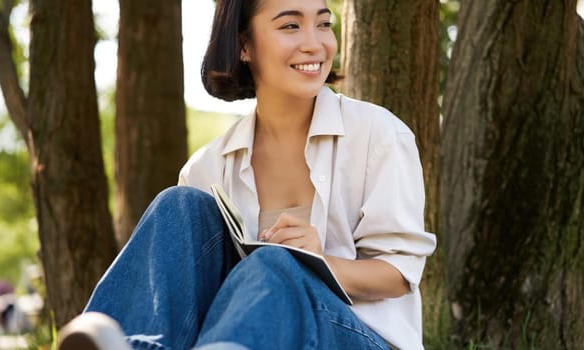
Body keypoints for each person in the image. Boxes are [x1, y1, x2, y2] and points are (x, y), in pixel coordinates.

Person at [56, 0, 436, 349]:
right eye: (290, 27)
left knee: (275, 264)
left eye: (323, 24)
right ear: (244, 46)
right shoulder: (206, 168)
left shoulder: (377, 134)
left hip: (356, 336)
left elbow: (399, 274)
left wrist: (320, 262)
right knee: (178, 204)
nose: (314, 44)